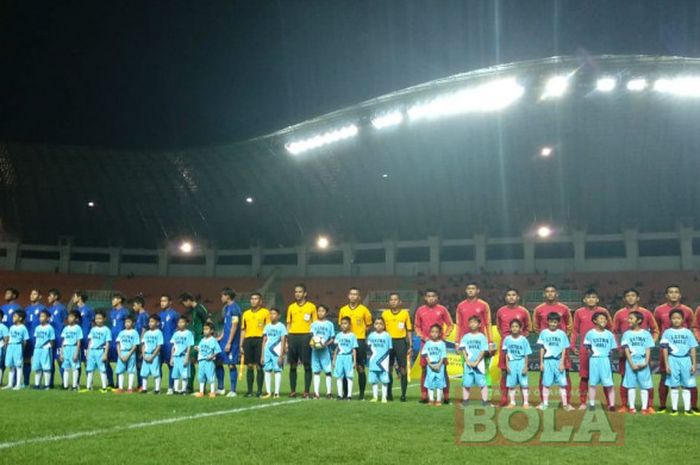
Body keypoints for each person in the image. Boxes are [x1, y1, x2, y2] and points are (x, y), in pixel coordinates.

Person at [613, 288, 659, 413]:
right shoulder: (619, 314)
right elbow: (614, 332)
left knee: (647, 380)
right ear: (624, 299)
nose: (630, 298)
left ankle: (648, 406)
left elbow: (655, 330)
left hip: (643, 355)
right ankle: (624, 405)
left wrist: (649, 344)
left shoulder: (646, 313)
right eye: (627, 295)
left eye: (633, 295)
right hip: (627, 354)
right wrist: (619, 348)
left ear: (638, 298)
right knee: (625, 379)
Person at [653, 285, 696, 413]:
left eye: (676, 292)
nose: (673, 294)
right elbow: (656, 328)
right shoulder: (659, 310)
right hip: (667, 351)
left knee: (689, 379)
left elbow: (691, 327)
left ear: (680, 295)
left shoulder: (687, 310)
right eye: (670, 292)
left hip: (684, 351)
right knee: (664, 377)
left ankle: (692, 406)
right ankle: (663, 405)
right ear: (666, 295)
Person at [571, 289, 612, 408]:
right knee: (585, 376)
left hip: (603, 351)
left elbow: (610, 329)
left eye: (593, 297)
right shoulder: (579, 312)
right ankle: (583, 403)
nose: (591, 299)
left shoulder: (603, 311)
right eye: (588, 297)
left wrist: (611, 347)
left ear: (597, 299)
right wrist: (573, 345)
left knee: (606, 378)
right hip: (585, 350)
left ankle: (610, 403)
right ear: (584, 300)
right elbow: (575, 330)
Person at [533, 285, 573, 404]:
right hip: (546, 348)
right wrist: (546, 339)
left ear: (557, 294)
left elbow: (570, 325)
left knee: (566, 372)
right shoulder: (539, 309)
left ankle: (567, 402)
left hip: (560, 347)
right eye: (547, 292)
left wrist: (562, 338)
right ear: (544, 294)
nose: (550, 294)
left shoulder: (564, 308)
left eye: (552, 291)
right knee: (543, 373)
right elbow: (535, 327)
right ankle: (543, 401)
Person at [414, 289, 453, 404]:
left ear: (437, 298)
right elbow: (417, 326)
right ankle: (424, 396)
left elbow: (450, 325)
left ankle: (445, 396)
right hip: (425, 344)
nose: (431, 298)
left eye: (433, 296)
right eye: (428, 296)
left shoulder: (442, 309)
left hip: (439, 345)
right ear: (425, 298)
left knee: (443, 370)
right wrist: (424, 337)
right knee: (424, 370)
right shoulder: (420, 310)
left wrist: (444, 337)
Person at [495, 288, 532, 407]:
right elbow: (499, 328)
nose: (511, 297)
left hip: (519, 346)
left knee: (522, 374)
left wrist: (519, 339)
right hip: (506, 345)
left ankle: (524, 401)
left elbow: (528, 328)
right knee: (505, 372)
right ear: (506, 298)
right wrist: (508, 339)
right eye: (509, 295)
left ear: (518, 297)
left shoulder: (523, 311)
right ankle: (505, 399)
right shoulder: (501, 311)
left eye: (513, 295)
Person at [660, 309, 698, 416]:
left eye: (678, 318)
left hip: (686, 360)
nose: (676, 320)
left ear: (682, 319)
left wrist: (694, 364)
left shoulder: (688, 332)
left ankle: (687, 409)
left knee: (687, 385)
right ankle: (674, 409)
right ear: (670, 320)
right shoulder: (667, 333)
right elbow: (665, 349)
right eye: (673, 318)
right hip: (673, 359)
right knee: (674, 384)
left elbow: (693, 348)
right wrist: (667, 364)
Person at [337, 287, 372, 400]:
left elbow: (369, 324)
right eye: (351, 294)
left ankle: (361, 394)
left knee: (360, 367)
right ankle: (345, 393)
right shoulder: (343, 310)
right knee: (344, 368)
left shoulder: (364, 310)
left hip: (359, 340)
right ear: (348, 296)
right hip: (346, 341)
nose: (353, 296)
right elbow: (340, 324)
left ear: (359, 297)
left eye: (355, 294)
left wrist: (362, 333)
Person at [537, 313, 574, 411]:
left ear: (558, 323)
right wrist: (541, 362)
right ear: (547, 321)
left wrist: (562, 362)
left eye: (555, 322)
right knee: (546, 384)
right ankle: (545, 404)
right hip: (547, 361)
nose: (553, 324)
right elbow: (542, 348)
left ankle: (565, 404)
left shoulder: (562, 334)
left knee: (562, 384)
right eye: (551, 322)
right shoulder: (544, 333)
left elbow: (563, 349)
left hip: (558, 361)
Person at [620, 311, 655, 414]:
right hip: (631, 362)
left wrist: (645, 362)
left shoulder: (646, 334)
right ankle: (632, 407)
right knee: (631, 385)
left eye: (631, 318)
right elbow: (626, 350)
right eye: (628, 318)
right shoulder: (626, 334)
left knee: (644, 385)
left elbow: (648, 348)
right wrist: (631, 364)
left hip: (643, 361)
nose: (628, 320)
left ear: (639, 320)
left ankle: (644, 408)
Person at [286, 284, 317, 398]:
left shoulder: (312, 307)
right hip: (293, 337)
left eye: (300, 292)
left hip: (306, 337)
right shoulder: (291, 307)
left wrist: (313, 338)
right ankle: (293, 390)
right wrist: (288, 337)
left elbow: (315, 324)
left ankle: (306, 391)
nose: (297, 294)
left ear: (305, 293)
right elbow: (288, 323)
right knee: (292, 365)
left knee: (307, 365)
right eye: (296, 292)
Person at [381, 293, 413, 402]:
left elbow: (409, 329)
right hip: (388, 343)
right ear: (389, 302)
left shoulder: (405, 313)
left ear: (400, 302)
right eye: (391, 300)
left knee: (402, 369)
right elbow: (381, 329)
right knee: (388, 369)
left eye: (396, 299)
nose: (393, 301)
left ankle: (403, 395)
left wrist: (410, 345)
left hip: (401, 342)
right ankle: (389, 394)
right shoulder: (385, 314)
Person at [583, 312, 617, 411]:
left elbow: (612, 349)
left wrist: (609, 361)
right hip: (594, 360)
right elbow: (587, 347)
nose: (604, 321)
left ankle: (612, 405)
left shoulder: (609, 334)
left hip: (605, 359)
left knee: (609, 383)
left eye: (605, 319)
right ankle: (592, 404)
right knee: (592, 383)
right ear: (595, 321)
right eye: (601, 319)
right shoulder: (590, 333)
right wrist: (592, 354)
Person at [240, 292, 270, 397]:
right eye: (252, 299)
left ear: (260, 301)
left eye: (256, 299)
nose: (253, 300)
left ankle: (259, 391)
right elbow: (243, 330)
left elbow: (268, 330)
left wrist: (266, 343)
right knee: (249, 366)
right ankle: (249, 391)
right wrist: (241, 344)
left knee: (259, 366)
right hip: (248, 340)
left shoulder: (265, 313)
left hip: (260, 340)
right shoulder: (246, 314)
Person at [458, 316, 489, 407]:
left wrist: (477, 362)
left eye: (475, 322)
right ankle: (465, 400)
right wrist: (467, 361)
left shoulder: (482, 337)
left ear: (479, 324)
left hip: (479, 364)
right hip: (468, 364)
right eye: (471, 322)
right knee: (466, 383)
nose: (472, 324)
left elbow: (483, 350)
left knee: (482, 383)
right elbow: (463, 350)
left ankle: (485, 401)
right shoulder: (465, 337)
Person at [180, 292, 209, 393]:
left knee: (202, 362)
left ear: (188, 300)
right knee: (191, 360)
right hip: (196, 338)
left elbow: (208, 322)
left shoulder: (200, 309)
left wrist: (206, 338)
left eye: (184, 302)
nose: (184, 305)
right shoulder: (194, 309)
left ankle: (201, 388)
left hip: (201, 338)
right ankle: (190, 386)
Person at [502, 319, 531, 408]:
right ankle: (512, 402)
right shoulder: (507, 339)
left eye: (516, 326)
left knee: (524, 384)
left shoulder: (523, 339)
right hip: (511, 363)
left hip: (521, 362)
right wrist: (507, 365)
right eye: (513, 327)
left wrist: (525, 366)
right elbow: (506, 353)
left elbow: (526, 354)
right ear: (510, 328)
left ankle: (525, 402)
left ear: (520, 328)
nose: (514, 328)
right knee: (511, 384)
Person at [218, 288, 242, 396]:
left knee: (231, 365)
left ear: (227, 296)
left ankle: (233, 390)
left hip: (232, 342)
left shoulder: (235, 309)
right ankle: (221, 388)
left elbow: (234, 326)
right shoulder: (226, 308)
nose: (221, 298)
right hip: (225, 339)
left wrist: (229, 342)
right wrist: (222, 336)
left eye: (222, 296)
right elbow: (226, 325)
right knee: (219, 362)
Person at [261, 308, 287, 398]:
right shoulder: (267, 326)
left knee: (277, 370)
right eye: (270, 313)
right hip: (267, 352)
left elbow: (283, 340)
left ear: (278, 316)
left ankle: (276, 392)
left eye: (274, 313)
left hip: (276, 352)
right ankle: (268, 392)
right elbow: (264, 340)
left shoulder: (281, 326)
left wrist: (281, 354)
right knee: (267, 370)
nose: (272, 315)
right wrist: (262, 355)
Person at [82, 311, 111, 393]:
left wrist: (105, 353)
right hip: (92, 351)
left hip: (100, 351)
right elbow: (90, 341)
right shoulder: (93, 329)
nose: (98, 320)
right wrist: (88, 351)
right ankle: (88, 387)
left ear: (104, 319)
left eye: (100, 318)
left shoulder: (106, 330)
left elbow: (107, 342)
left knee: (102, 369)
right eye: (96, 318)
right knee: (89, 369)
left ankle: (104, 387)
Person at [310, 304, 335, 399]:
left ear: (326, 313)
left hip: (325, 351)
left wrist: (325, 344)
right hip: (315, 351)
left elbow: (332, 338)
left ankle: (329, 393)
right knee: (316, 371)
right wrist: (313, 343)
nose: (320, 312)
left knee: (328, 371)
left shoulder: (330, 324)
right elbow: (311, 336)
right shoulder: (313, 324)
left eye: (323, 311)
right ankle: (316, 393)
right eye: (319, 311)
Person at [105, 292, 128, 389]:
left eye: (114, 299)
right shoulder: (111, 312)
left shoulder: (125, 312)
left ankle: (119, 384)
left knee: (120, 362)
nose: (112, 301)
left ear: (119, 300)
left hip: (120, 341)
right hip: (111, 340)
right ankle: (110, 382)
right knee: (106, 361)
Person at [367, 316, 392, 403]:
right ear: (374, 325)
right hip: (373, 362)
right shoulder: (371, 336)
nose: (379, 325)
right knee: (374, 380)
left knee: (384, 380)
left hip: (383, 362)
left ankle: (384, 397)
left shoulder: (387, 335)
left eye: (381, 324)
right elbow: (369, 348)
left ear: (384, 325)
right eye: (376, 323)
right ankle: (375, 397)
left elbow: (389, 349)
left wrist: (386, 360)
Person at [24, 289, 46, 387]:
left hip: (39, 338)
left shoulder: (43, 308)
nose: (32, 295)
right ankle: (26, 382)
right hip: (28, 338)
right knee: (26, 360)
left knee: (41, 360)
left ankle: (44, 384)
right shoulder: (27, 309)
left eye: (35, 294)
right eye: (31, 294)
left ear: (40, 296)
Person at [421, 324, 448, 406]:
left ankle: (439, 400)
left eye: (436, 332)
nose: (434, 334)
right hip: (430, 366)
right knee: (430, 382)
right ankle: (431, 399)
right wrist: (430, 364)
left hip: (440, 366)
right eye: (432, 332)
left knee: (440, 383)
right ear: (429, 333)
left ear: (440, 333)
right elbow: (425, 354)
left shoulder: (442, 344)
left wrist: (439, 365)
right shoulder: (428, 343)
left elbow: (443, 356)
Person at [333, 316, 358, 400]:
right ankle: (340, 395)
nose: (343, 325)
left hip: (348, 357)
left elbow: (354, 349)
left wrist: (354, 361)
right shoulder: (338, 335)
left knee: (349, 376)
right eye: (342, 324)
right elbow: (336, 348)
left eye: (345, 323)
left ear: (350, 325)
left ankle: (349, 395)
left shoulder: (352, 336)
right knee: (339, 376)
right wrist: (334, 359)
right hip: (340, 357)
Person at [158, 294, 179, 395]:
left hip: (170, 344)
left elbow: (178, 329)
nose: (162, 303)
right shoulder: (159, 315)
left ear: (170, 302)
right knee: (158, 365)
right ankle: (158, 387)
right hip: (160, 344)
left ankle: (171, 387)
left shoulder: (175, 314)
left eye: (164, 301)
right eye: (161, 301)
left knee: (171, 366)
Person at [2, 310, 28, 390]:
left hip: (18, 346)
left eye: (15, 316)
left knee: (18, 366)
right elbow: (9, 338)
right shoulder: (12, 327)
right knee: (11, 366)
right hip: (10, 346)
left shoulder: (23, 328)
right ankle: (10, 384)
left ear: (20, 318)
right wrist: (7, 346)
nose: (13, 318)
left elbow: (25, 340)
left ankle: (18, 384)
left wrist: (22, 349)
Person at [72, 290, 94, 383]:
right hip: (76, 338)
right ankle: (76, 383)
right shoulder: (75, 311)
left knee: (86, 361)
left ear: (79, 297)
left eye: (75, 296)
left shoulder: (89, 309)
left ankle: (89, 383)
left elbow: (93, 324)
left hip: (86, 338)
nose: (73, 298)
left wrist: (92, 337)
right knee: (76, 361)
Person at [47, 289, 67, 388]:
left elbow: (66, 322)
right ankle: (50, 383)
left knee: (60, 360)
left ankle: (65, 383)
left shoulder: (62, 308)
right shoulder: (49, 310)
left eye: (50, 295)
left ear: (55, 296)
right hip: (50, 338)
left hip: (59, 338)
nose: (48, 297)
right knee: (50, 361)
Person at [195, 321, 221, 398]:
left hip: (209, 361)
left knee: (210, 376)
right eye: (204, 329)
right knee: (201, 376)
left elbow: (217, 350)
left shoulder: (213, 340)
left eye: (207, 329)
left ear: (212, 331)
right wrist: (197, 348)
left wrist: (212, 356)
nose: (205, 331)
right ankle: (201, 392)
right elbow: (200, 349)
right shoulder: (202, 340)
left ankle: (212, 392)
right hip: (201, 361)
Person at [169, 315, 194, 395]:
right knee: (176, 374)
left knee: (184, 374)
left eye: (182, 322)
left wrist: (187, 357)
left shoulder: (188, 333)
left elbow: (189, 346)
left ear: (186, 323)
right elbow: (173, 346)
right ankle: (176, 389)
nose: (180, 324)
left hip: (183, 356)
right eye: (179, 322)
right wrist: (171, 358)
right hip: (176, 357)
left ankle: (183, 390)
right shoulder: (176, 334)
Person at [31, 309, 55, 390]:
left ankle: (47, 385)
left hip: (45, 349)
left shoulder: (50, 328)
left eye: (43, 316)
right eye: (40, 316)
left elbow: (52, 340)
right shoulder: (37, 328)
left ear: (48, 318)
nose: (40, 318)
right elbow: (36, 338)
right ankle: (37, 384)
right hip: (37, 349)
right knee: (37, 367)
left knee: (46, 367)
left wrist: (48, 347)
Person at [115, 315, 139, 393]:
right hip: (122, 352)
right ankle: (120, 388)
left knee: (131, 370)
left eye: (129, 322)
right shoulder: (121, 332)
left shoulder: (135, 332)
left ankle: (129, 388)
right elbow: (118, 343)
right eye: (126, 322)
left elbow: (135, 345)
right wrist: (120, 354)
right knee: (120, 370)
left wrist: (128, 354)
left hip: (130, 353)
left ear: (133, 323)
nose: (127, 323)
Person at [59, 310, 83, 390]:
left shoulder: (78, 328)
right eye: (69, 316)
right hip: (66, 348)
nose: (69, 318)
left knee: (75, 367)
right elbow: (63, 341)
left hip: (73, 348)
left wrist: (76, 352)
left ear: (76, 319)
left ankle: (74, 386)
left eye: (72, 317)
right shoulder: (65, 328)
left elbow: (79, 341)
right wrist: (61, 353)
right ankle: (65, 386)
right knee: (66, 368)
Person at [140, 314, 164, 394]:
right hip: (146, 355)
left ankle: (157, 389)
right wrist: (143, 355)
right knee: (144, 373)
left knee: (155, 372)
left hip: (154, 355)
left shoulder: (159, 333)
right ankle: (144, 388)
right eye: (149, 321)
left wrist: (153, 355)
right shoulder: (146, 333)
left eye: (152, 321)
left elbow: (159, 345)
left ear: (157, 323)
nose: (150, 323)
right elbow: (143, 344)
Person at [132, 295, 149, 390]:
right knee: (138, 364)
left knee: (141, 364)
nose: (133, 307)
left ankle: (142, 385)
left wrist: (141, 343)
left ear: (140, 304)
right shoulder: (138, 316)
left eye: (134, 305)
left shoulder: (144, 315)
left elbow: (144, 329)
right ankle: (139, 385)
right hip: (137, 342)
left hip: (141, 343)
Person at [0, 310, 9, 384]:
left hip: (1, 347)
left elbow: (6, 339)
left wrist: (5, 349)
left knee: (0, 365)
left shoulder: (3, 327)